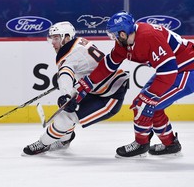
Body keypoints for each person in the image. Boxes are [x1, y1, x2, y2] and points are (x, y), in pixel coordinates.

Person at [75, 11, 194, 158]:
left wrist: (150, 97)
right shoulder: (124, 43)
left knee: (144, 104)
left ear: (123, 33)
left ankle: (141, 144)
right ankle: (170, 145)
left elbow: (168, 70)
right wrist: (88, 83)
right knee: (146, 104)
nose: (114, 38)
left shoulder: (149, 36)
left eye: (114, 35)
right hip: (173, 69)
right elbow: (109, 63)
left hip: (187, 70)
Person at [23, 21, 129, 155]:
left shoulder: (68, 54)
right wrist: (69, 88)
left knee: (65, 117)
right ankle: (65, 139)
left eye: (56, 38)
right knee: (67, 111)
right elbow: (84, 67)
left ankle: (43, 143)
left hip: (109, 97)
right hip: (98, 88)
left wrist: (66, 93)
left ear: (67, 37)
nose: (53, 42)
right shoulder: (79, 43)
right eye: (52, 38)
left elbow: (66, 72)